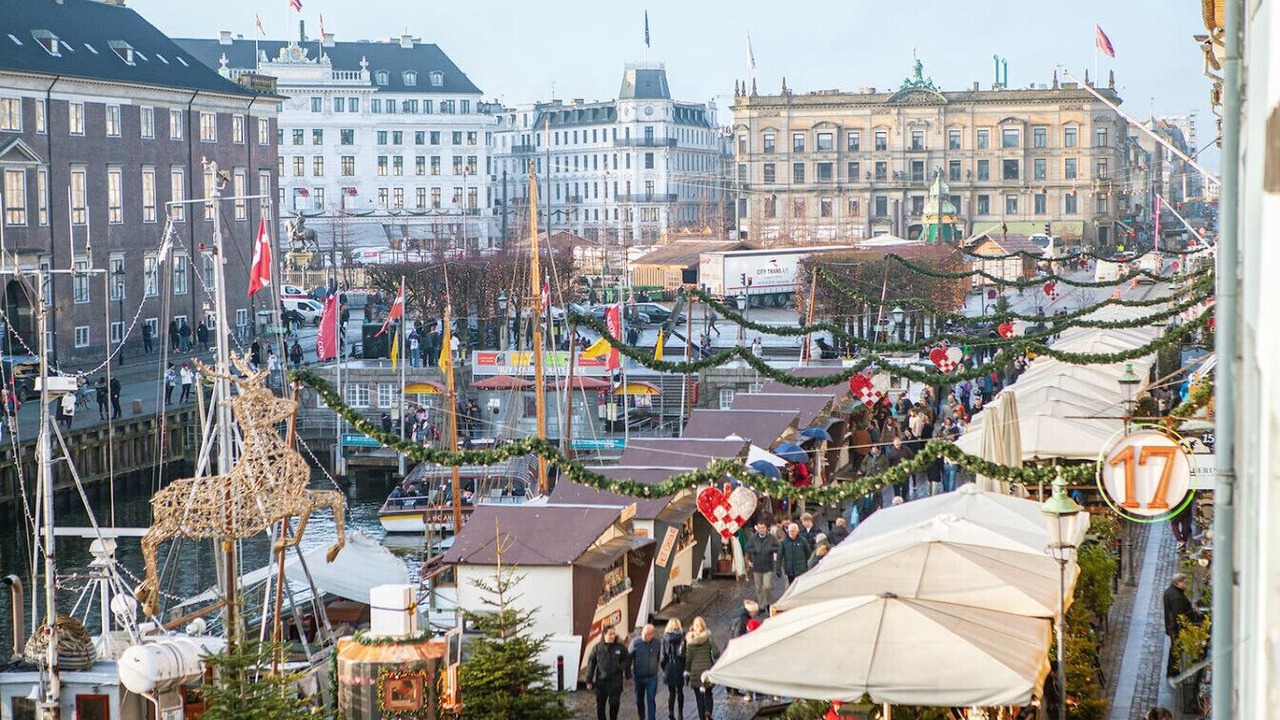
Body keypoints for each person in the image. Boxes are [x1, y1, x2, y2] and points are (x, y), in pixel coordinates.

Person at [585, 625, 630, 720]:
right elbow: (591, 664)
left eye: (614, 634)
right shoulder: (597, 648)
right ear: (604, 635)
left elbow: (627, 660)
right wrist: (589, 680)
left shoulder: (620, 647)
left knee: (615, 704)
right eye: (610, 634)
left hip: (615, 682)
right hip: (601, 682)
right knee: (600, 706)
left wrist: (620, 667)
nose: (612, 636)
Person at [1163, 573, 1201, 677]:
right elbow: (1180, 615)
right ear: (1178, 583)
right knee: (1176, 650)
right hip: (1176, 628)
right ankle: (1173, 671)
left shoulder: (1171, 592)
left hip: (1172, 626)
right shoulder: (1176, 597)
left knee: (1175, 649)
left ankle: (1172, 670)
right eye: (1184, 582)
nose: (1186, 584)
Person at [682, 616, 719, 720]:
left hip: (695, 672)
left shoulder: (690, 639)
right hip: (706, 670)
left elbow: (688, 658)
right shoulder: (708, 637)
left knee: (699, 697)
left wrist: (687, 671)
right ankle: (708, 711)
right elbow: (716, 653)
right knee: (708, 693)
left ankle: (702, 717)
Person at [629, 623, 661, 720]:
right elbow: (629, 657)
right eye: (643, 633)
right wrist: (628, 673)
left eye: (647, 634)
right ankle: (641, 717)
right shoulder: (635, 642)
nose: (644, 635)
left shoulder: (657, 643)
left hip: (652, 677)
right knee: (639, 700)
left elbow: (658, 657)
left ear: (652, 635)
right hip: (639, 677)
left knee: (651, 699)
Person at [743, 520, 778, 606]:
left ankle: (767, 603)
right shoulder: (753, 538)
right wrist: (754, 551)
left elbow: (778, 547)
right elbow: (746, 548)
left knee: (766, 587)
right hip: (757, 567)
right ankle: (761, 605)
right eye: (759, 528)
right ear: (757, 529)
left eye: (763, 528)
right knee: (758, 588)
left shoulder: (771, 537)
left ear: (766, 528)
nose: (761, 529)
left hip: (768, 566)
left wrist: (770, 549)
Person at [660, 619, 686, 720]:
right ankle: (680, 713)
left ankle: (671, 712)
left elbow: (663, 656)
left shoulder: (665, 638)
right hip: (679, 665)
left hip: (669, 666)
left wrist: (664, 668)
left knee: (671, 692)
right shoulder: (682, 637)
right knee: (680, 691)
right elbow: (685, 653)